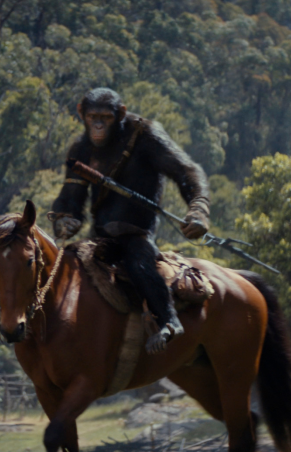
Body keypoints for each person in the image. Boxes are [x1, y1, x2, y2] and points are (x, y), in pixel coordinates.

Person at [48, 87, 210, 352]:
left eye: (105, 118)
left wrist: (199, 207)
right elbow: (70, 197)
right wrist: (65, 220)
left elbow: (187, 170)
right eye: (93, 118)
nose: (98, 125)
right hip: (100, 236)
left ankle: (170, 321)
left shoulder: (143, 135)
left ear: (120, 114)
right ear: (81, 114)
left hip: (137, 231)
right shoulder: (81, 149)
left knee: (138, 263)